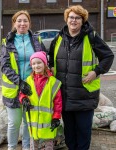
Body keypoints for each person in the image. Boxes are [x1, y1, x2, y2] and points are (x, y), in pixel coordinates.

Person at [48, 5, 114, 150]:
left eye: (78, 18)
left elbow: (108, 56)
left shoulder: (91, 37)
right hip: (65, 95)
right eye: (71, 17)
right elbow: (50, 56)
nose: (74, 20)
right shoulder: (59, 37)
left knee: (83, 133)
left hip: (84, 96)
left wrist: (96, 72)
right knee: (69, 134)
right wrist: (51, 66)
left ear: (82, 20)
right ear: (66, 19)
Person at [0, 10, 46, 150]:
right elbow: (5, 66)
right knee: (14, 122)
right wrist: (19, 82)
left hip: (33, 87)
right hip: (14, 89)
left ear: (29, 23)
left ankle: (27, 147)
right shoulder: (7, 42)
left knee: (28, 122)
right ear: (14, 23)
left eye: (25, 20)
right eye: (19, 21)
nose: (22, 23)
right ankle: (12, 148)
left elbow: (44, 60)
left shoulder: (37, 40)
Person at [19, 51, 62, 150]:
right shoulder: (28, 81)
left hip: (48, 120)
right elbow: (22, 94)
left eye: (39, 63)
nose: (36, 66)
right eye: (33, 64)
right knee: (33, 144)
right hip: (33, 120)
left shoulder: (53, 82)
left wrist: (56, 117)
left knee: (49, 144)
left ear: (45, 64)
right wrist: (23, 99)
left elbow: (58, 102)